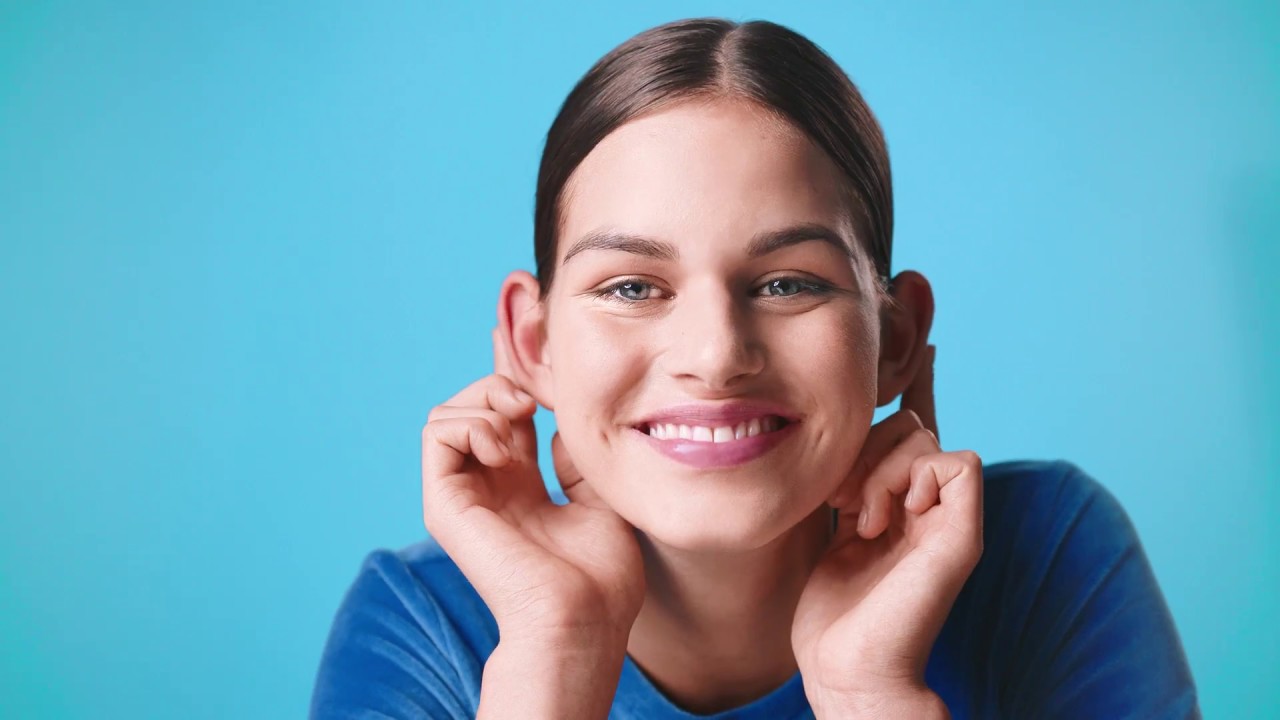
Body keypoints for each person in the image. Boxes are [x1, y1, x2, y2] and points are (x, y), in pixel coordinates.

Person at [310, 17, 1200, 719]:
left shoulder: (1043, 561)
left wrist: (869, 697)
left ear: (892, 340)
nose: (714, 356)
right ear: (534, 344)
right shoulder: (422, 626)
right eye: (630, 286)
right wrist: (558, 654)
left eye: (785, 283)